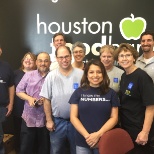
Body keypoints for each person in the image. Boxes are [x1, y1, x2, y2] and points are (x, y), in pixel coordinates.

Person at [68, 59, 120, 154]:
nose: (95, 75)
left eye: (99, 72)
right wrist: (88, 137)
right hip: (83, 141)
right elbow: (73, 117)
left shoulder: (111, 93)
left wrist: (98, 135)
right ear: (86, 75)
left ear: (103, 74)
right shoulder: (78, 92)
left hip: (104, 140)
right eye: (91, 72)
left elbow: (114, 118)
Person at [40, 46, 83, 154]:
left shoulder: (81, 74)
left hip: (77, 122)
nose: (64, 60)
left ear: (71, 56)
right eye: (61, 57)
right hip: (57, 122)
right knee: (56, 151)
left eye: (67, 56)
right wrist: (49, 120)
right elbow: (46, 99)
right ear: (56, 58)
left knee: (77, 151)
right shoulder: (51, 76)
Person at [115, 43, 154, 154]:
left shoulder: (142, 77)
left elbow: (151, 107)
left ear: (134, 57)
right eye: (121, 56)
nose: (124, 58)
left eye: (128, 55)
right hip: (127, 128)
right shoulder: (124, 75)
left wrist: (145, 132)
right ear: (118, 59)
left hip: (139, 131)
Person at [16, 52, 51, 154]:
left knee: (44, 149)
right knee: (25, 148)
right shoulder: (28, 75)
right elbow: (19, 91)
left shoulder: (53, 76)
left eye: (46, 61)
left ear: (50, 62)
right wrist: (30, 99)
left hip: (46, 119)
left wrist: (48, 100)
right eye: (40, 60)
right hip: (29, 118)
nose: (43, 63)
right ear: (36, 62)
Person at [13, 52, 36, 153]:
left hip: (33, 111)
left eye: (31, 59)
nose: (28, 60)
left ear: (35, 62)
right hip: (18, 109)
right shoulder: (15, 74)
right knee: (18, 133)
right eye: (26, 58)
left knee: (32, 135)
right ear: (22, 61)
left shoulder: (38, 74)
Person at [0, 45, 15, 154]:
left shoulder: (6, 66)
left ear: (1, 50)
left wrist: (11, 103)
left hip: (2, 106)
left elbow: (11, 86)